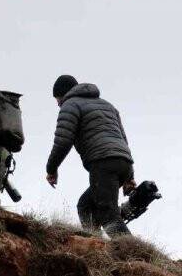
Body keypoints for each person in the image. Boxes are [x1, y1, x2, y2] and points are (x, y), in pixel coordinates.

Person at [46, 75, 136, 236]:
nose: (58, 103)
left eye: (57, 99)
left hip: (103, 162)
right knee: (86, 205)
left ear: (62, 94)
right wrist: (129, 177)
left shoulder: (70, 105)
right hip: (124, 163)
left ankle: (136, 254)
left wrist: (51, 169)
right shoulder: (108, 106)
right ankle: (96, 244)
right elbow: (123, 139)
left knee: (108, 214)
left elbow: (63, 141)